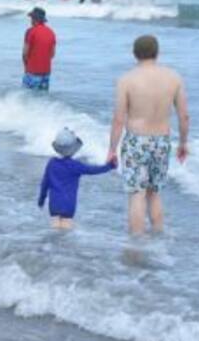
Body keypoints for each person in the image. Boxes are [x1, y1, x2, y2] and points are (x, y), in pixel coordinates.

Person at [106, 35, 190, 235]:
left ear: (135, 54)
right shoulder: (174, 77)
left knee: (137, 194)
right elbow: (184, 116)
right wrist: (183, 143)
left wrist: (112, 150)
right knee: (154, 193)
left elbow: (118, 119)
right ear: (157, 53)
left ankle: (137, 246)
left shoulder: (126, 80)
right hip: (162, 140)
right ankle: (158, 243)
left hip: (136, 141)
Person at [38, 128, 116, 230]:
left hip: (54, 205)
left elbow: (45, 184)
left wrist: (41, 200)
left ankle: (51, 246)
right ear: (73, 148)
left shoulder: (51, 163)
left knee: (55, 229)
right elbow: (93, 170)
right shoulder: (75, 165)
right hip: (68, 205)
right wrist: (110, 166)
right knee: (65, 231)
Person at [22, 7, 56, 91]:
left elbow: (25, 53)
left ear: (34, 19)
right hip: (46, 72)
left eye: (31, 18)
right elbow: (52, 54)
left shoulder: (31, 31)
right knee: (42, 98)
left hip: (32, 72)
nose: (30, 20)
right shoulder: (51, 32)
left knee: (27, 98)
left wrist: (26, 68)